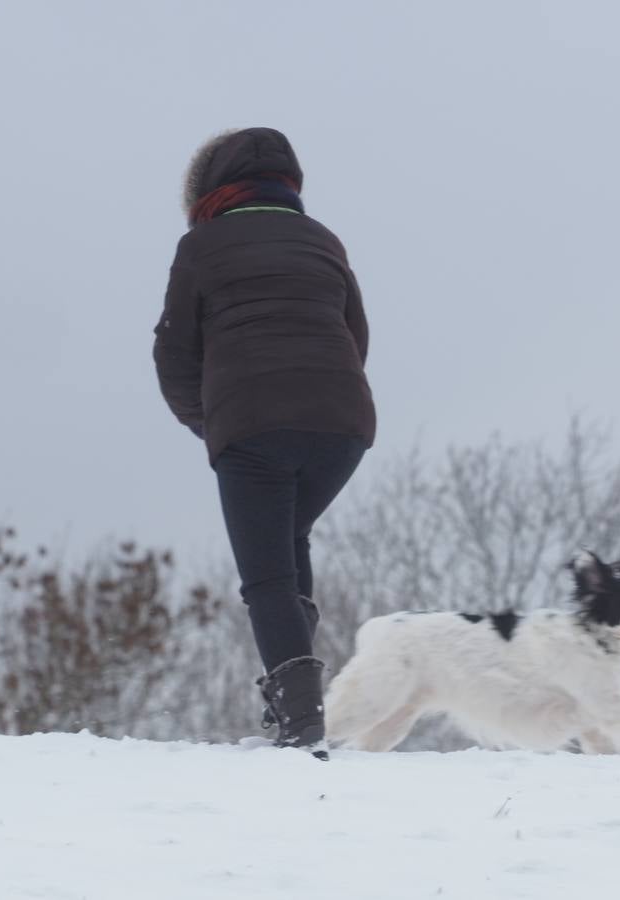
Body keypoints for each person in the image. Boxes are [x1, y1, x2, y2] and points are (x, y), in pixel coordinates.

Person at [153, 128, 375, 759]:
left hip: (252, 426)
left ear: (207, 189)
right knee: (287, 544)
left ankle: (302, 725)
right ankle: (298, 703)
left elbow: (174, 350)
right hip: (342, 427)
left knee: (267, 574)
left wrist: (208, 421)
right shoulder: (326, 241)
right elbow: (354, 335)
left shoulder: (200, 246)